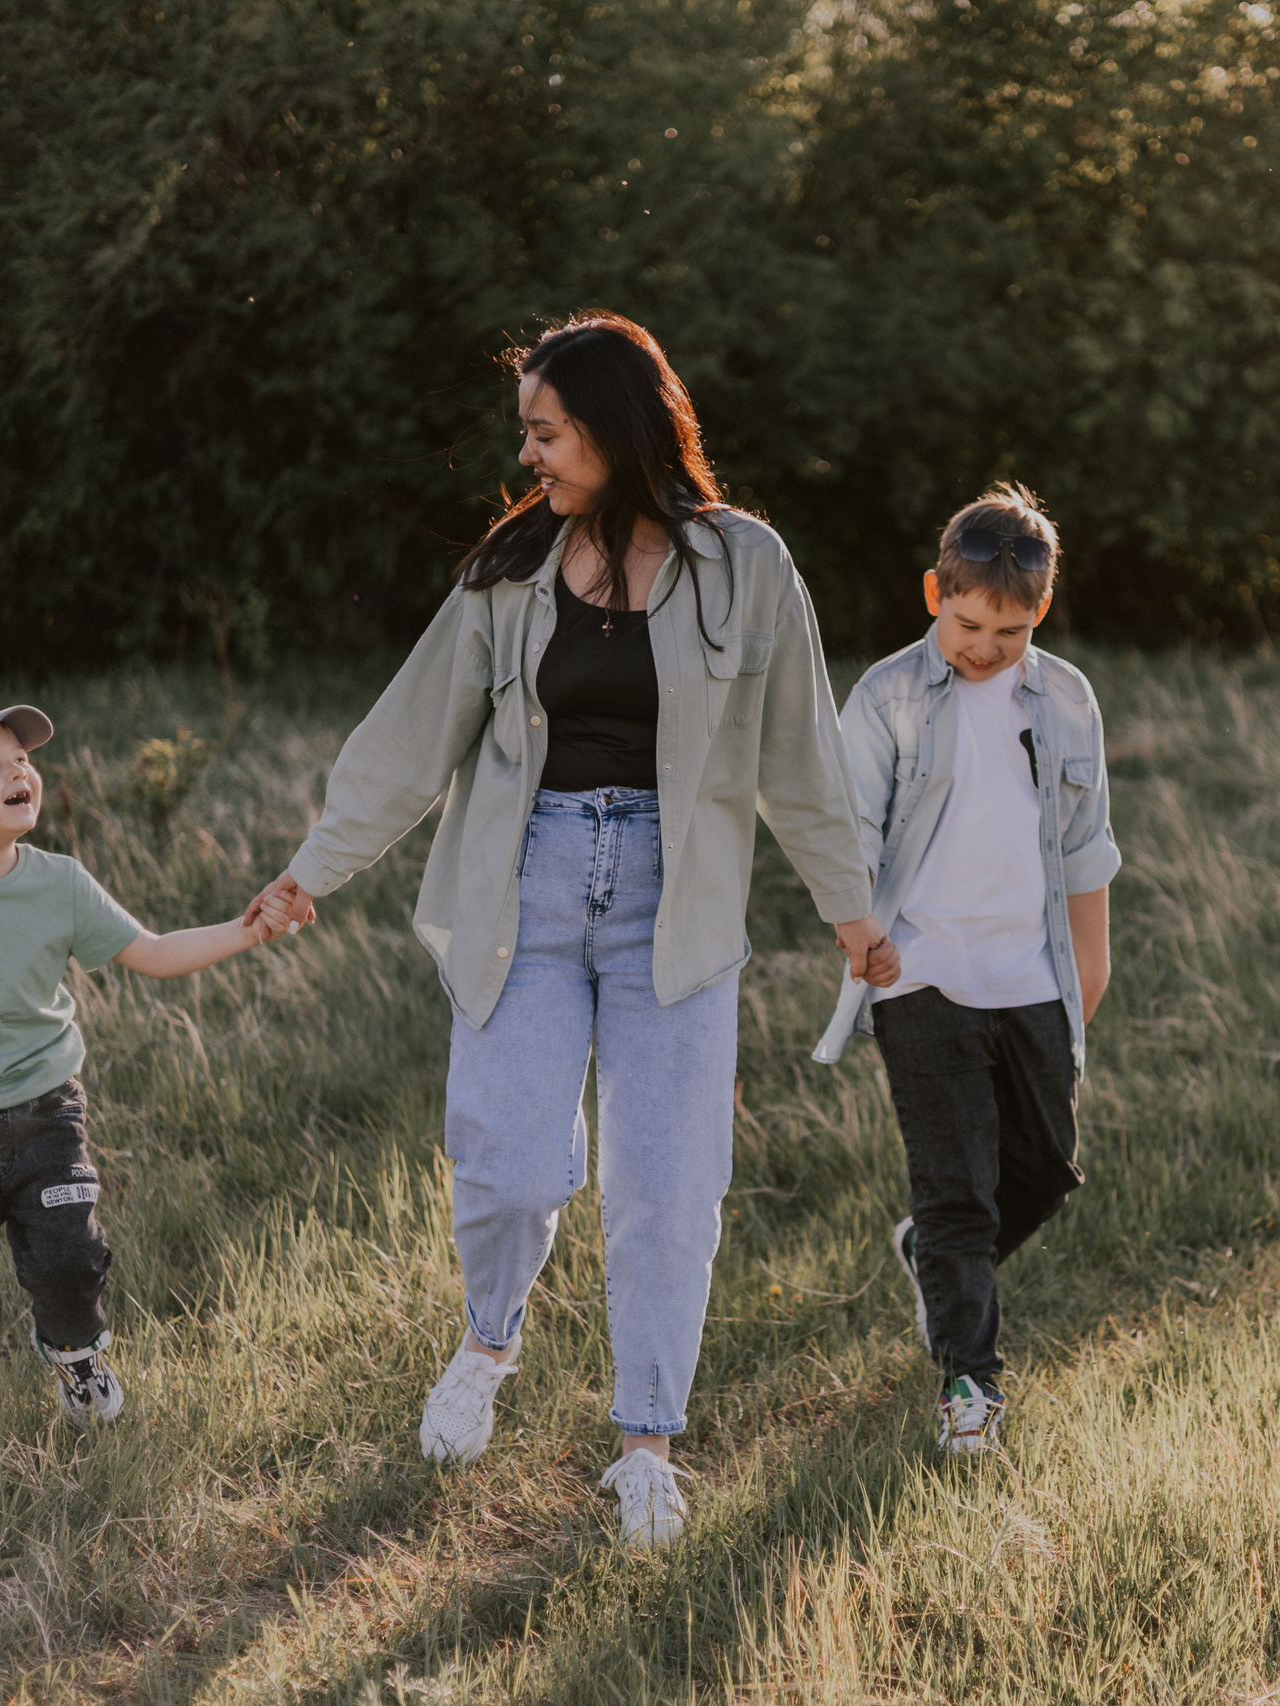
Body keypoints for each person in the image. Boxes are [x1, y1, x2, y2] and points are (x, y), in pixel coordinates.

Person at [247, 313, 897, 1546]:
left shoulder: (746, 564)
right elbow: (408, 736)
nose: (530, 454)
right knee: (507, 1162)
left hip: (676, 902)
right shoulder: (511, 568)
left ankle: (645, 1441)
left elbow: (801, 756)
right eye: (528, 434)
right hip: (524, 890)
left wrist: (849, 910)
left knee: (668, 1184)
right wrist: (309, 871)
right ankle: (489, 1339)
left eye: (546, 431)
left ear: (611, 424)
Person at [0, 701, 277, 1475]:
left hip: (44, 1117)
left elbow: (156, 951)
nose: (20, 771)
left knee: (71, 1259)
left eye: (22, 759)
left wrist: (250, 928)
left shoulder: (60, 884)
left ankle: (75, 1354)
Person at [811, 482, 1119, 1455]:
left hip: (1030, 969)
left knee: (1047, 1165)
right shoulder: (889, 695)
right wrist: (857, 931)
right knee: (956, 1188)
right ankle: (969, 1387)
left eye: (1009, 630)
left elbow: (1086, 839)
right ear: (933, 593)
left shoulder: (1065, 698)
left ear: (1041, 614)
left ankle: (929, 1258)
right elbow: (844, 829)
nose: (983, 646)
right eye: (967, 621)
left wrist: (1090, 957)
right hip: (920, 969)